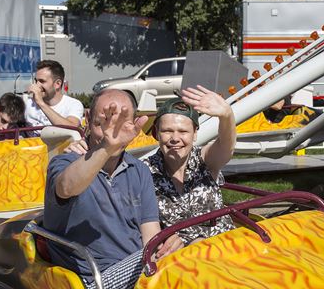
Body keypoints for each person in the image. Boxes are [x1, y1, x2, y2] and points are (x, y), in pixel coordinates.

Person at [43, 88, 182, 289]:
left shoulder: (139, 170)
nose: (112, 133)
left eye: (121, 125)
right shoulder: (65, 162)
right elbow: (67, 186)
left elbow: (150, 237)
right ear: (87, 119)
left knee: (191, 256)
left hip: (136, 273)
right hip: (91, 285)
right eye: (103, 123)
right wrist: (106, 148)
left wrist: (166, 247)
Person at [67, 85, 237, 246]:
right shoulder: (143, 171)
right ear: (156, 134)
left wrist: (227, 115)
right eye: (167, 131)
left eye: (183, 131)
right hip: (183, 259)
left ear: (194, 135)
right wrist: (86, 150)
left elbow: (225, 146)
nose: (175, 138)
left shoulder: (204, 160)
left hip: (227, 247)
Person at [24, 60, 84, 133]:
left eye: (42, 81)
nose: (37, 85)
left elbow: (72, 129)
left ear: (57, 84)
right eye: (36, 81)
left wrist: (41, 103)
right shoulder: (28, 103)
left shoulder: (73, 104)